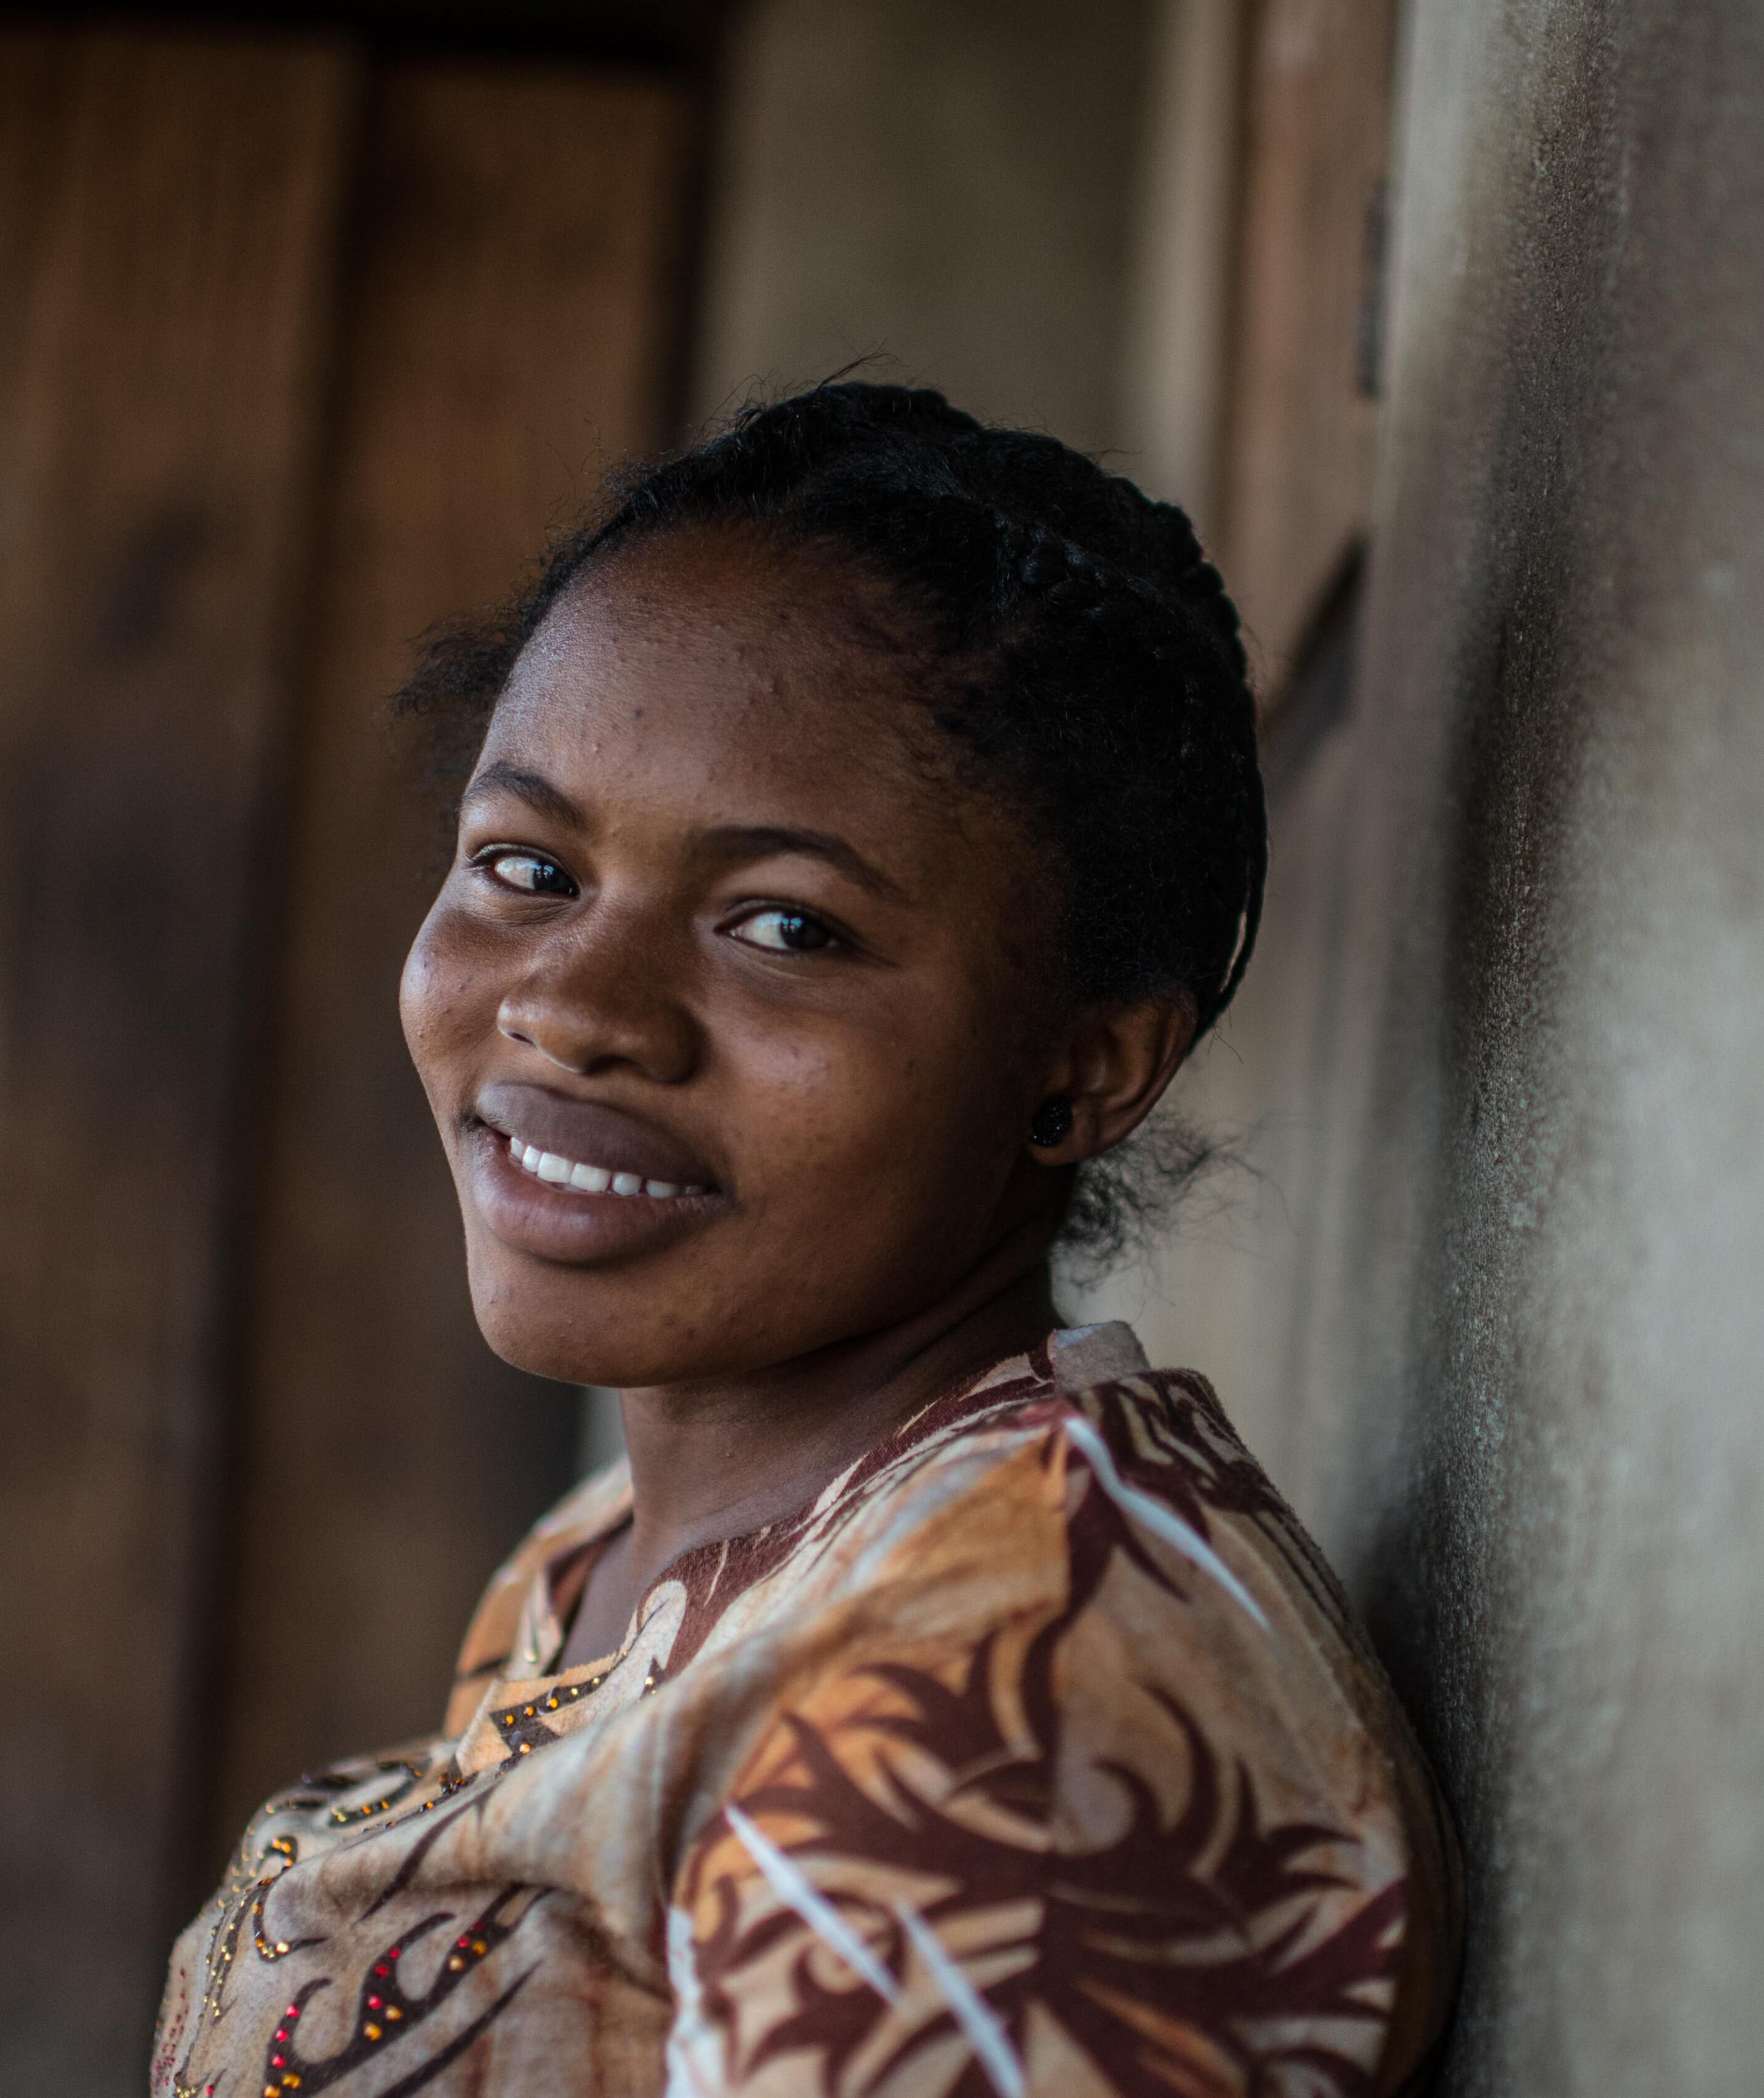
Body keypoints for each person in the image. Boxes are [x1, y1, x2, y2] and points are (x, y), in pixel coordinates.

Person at [153, 384, 1455, 2098]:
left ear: (1083, 1069)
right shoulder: (608, 1558)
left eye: (785, 925)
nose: (574, 1007)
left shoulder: (1013, 1722)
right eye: (527, 869)